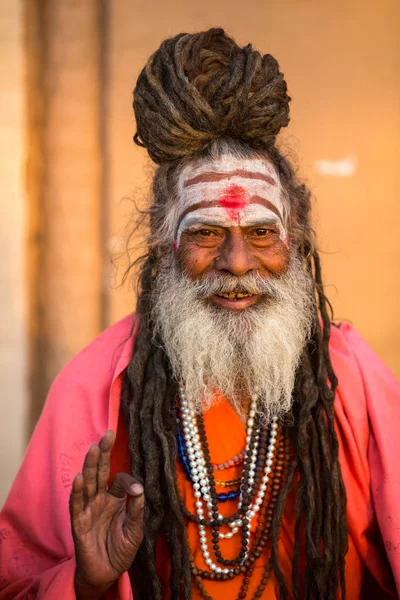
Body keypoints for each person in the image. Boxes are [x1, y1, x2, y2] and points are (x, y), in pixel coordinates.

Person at [0, 27, 399, 600]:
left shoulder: (349, 376)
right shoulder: (97, 386)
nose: (237, 263)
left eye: (262, 233)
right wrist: (86, 581)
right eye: (207, 234)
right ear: (167, 248)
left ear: (296, 243)